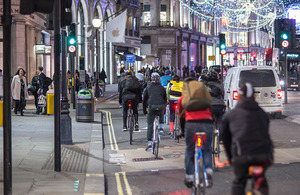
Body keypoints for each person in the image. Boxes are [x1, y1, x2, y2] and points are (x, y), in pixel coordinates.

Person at [222, 83, 273, 195]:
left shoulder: (231, 114)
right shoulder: (263, 114)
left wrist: (231, 158)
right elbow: (265, 134)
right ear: (254, 97)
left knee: (239, 181)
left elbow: (226, 139)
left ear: (239, 97)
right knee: (261, 179)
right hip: (263, 155)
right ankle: (261, 186)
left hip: (242, 155)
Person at [178, 77, 214, 188]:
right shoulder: (204, 94)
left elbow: (181, 116)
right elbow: (210, 107)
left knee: (189, 149)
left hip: (191, 124)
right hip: (207, 123)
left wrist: (183, 131)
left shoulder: (184, 97)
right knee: (207, 149)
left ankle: (189, 177)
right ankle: (208, 171)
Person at [143, 72, 167, 152]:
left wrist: (144, 111)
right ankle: (160, 128)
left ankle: (149, 143)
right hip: (160, 106)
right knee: (161, 113)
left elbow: (144, 100)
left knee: (150, 124)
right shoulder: (161, 88)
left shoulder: (148, 87)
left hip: (151, 106)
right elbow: (165, 99)